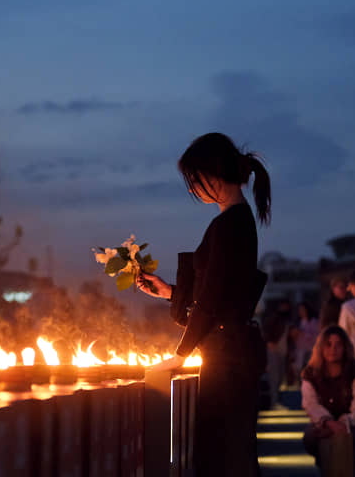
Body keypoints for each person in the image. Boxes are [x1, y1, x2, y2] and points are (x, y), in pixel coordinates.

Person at [136, 132, 270, 477]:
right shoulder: (239, 221)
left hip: (226, 357)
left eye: (194, 181)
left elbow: (211, 298)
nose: (194, 190)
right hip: (234, 351)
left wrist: (180, 355)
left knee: (220, 455)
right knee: (233, 452)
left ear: (212, 173)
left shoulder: (229, 224)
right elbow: (221, 293)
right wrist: (169, 292)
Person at [301, 326, 355, 476]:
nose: (333, 349)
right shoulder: (311, 373)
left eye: (338, 344)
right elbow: (311, 404)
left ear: (345, 347)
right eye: (328, 344)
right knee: (311, 437)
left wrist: (344, 423)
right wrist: (328, 423)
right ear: (321, 347)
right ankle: (325, 463)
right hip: (326, 422)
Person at [295, 301, 320, 375]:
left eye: (303, 310)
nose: (301, 312)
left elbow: (317, 336)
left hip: (310, 351)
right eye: (299, 310)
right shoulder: (298, 322)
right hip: (300, 352)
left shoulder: (314, 322)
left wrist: (303, 334)